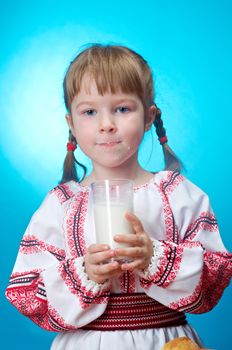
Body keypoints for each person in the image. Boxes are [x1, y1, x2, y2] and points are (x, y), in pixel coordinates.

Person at [6, 44, 232, 350]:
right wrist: (84, 273)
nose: (106, 124)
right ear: (71, 123)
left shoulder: (180, 196)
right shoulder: (60, 205)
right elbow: (27, 290)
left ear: (149, 117)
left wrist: (155, 257)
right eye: (89, 111)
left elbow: (214, 277)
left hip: (166, 341)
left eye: (122, 109)